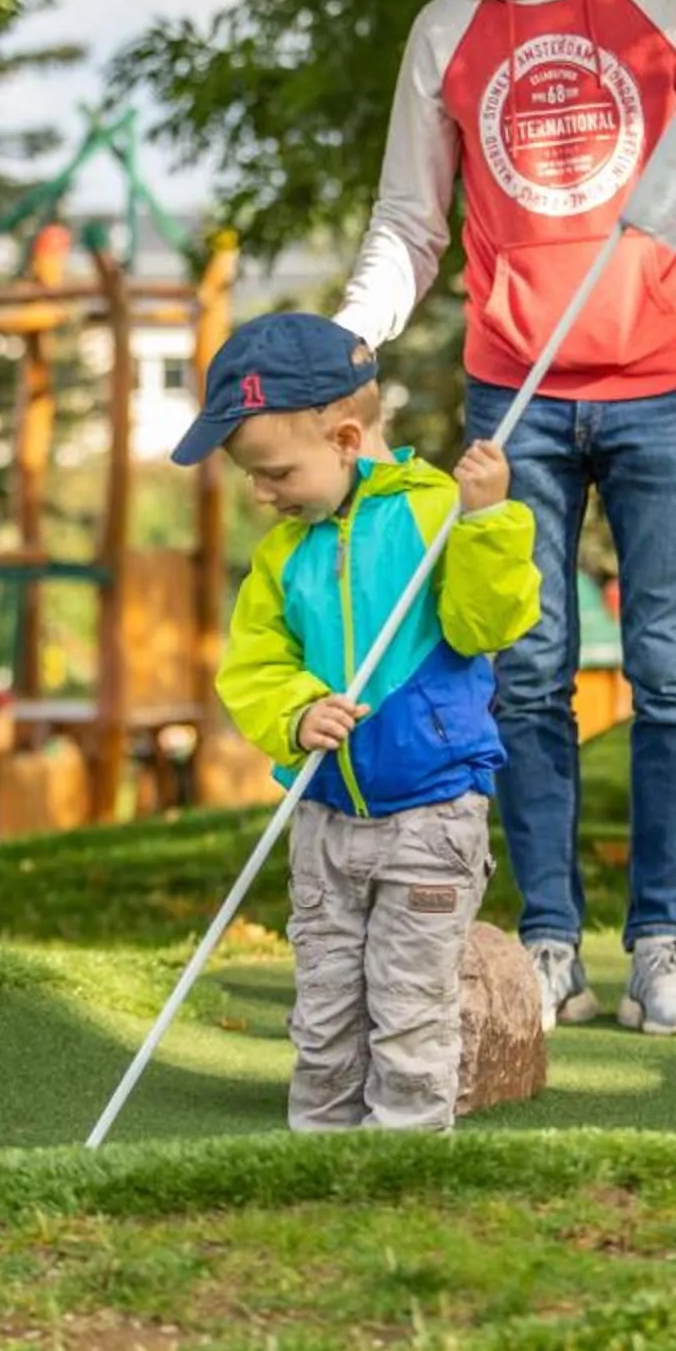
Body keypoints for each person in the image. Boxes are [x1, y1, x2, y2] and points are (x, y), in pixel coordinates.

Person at [330, 0, 676, 1040]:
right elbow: (412, 224)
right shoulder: (446, 28)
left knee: (669, 672)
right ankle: (548, 946)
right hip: (511, 399)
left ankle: (664, 947)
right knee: (524, 676)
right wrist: (348, 335)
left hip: (667, 390)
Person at [179, 312, 543, 1132]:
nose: (260, 493)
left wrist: (488, 522)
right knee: (324, 1013)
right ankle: (321, 1153)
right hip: (325, 817)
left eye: (273, 472)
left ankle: (405, 1162)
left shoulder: (435, 511)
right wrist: (297, 710)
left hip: (429, 811)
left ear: (346, 438)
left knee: (410, 1005)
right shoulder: (283, 553)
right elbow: (254, 664)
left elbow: (488, 625)